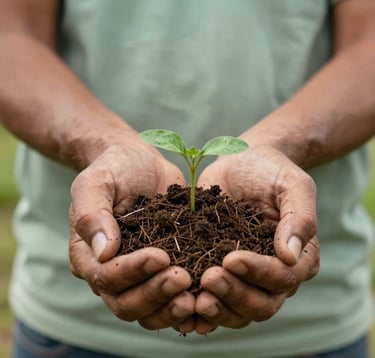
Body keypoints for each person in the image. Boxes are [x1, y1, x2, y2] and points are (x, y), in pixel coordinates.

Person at [0, 0, 374, 357]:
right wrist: (102, 146)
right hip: (72, 320)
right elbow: (12, 38)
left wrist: (282, 144)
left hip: (312, 325)